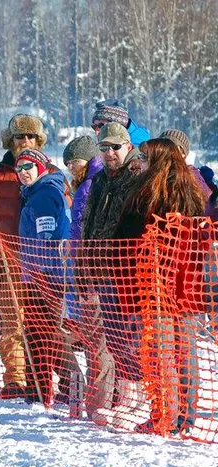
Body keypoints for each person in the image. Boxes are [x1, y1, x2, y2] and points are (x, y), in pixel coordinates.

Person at [0, 113, 70, 399]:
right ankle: (16, 381)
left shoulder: (49, 174)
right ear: (10, 140)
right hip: (6, 259)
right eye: (19, 137)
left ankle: (62, 381)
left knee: (47, 325)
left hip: (43, 263)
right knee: (12, 323)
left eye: (30, 136)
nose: (24, 141)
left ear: (38, 140)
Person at [117, 138, 205, 435]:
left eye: (143, 156)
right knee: (185, 350)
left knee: (160, 350)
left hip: (155, 285)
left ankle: (164, 415)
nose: (138, 161)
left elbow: (127, 240)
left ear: (156, 160)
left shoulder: (147, 195)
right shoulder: (191, 193)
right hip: (189, 284)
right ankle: (186, 417)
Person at [77, 122, 142, 425]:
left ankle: (138, 399)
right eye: (104, 147)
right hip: (99, 267)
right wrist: (82, 265)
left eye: (116, 147)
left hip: (127, 271)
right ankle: (126, 399)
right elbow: (88, 223)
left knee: (131, 338)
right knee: (114, 339)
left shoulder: (138, 177)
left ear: (128, 146)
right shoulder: (100, 179)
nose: (110, 153)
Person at [14, 148, 82, 407]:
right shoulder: (36, 193)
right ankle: (44, 388)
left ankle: (50, 388)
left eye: (28, 167)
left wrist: (40, 271)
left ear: (41, 168)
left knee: (43, 334)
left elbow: (47, 236)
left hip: (45, 276)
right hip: (38, 274)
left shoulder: (43, 194)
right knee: (41, 333)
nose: (23, 173)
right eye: (19, 169)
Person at [63, 136, 102, 240]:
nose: (70, 167)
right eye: (68, 163)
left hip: (87, 250)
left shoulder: (87, 187)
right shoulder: (99, 178)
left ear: (88, 161)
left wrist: (75, 252)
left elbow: (80, 226)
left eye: (76, 161)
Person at [158, 129, 212, 204]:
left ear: (182, 153)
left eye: (170, 147)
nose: (163, 150)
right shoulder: (152, 172)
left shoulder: (191, 178)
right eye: (161, 146)